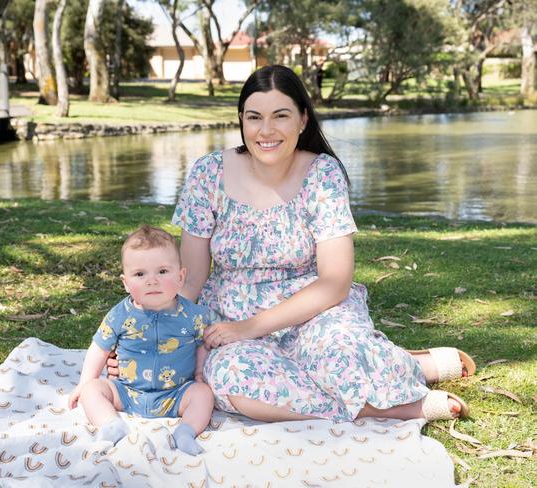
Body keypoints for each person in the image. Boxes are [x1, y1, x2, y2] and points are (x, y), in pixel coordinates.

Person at [166, 64, 476, 424]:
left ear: (302, 119)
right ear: (241, 120)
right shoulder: (208, 174)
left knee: (343, 356)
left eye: (280, 116)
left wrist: (252, 326)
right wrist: (147, 329)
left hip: (314, 311)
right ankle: (388, 404)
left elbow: (335, 281)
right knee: (233, 379)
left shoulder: (322, 174)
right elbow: (191, 281)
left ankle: (398, 369)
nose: (266, 131)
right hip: (231, 320)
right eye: (254, 117)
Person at [68, 226, 215, 455]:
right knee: (92, 390)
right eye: (140, 274)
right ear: (126, 283)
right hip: (127, 391)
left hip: (175, 393)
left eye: (163, 272)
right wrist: (85, 381)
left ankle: (186, 431)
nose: (152, 281)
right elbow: (100, 347)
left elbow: (202, 344)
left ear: (181, 277)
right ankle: (110, 424)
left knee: (203, 394)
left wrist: (198, 373)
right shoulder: (120, 315)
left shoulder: (193, 315)